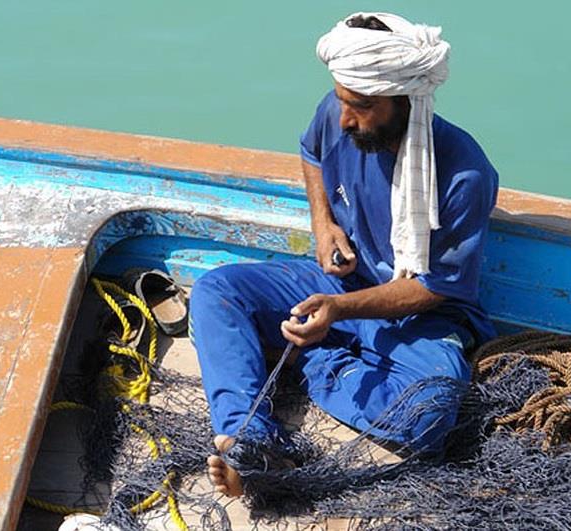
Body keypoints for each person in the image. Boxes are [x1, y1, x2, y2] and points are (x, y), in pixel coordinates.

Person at [189, 12, 499, 497]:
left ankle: (311, 360)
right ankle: (248, 438)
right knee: (216, 291)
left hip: (420, 318)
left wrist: (338, 312)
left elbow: (436, 287)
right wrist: (324, 223)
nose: (345, 118)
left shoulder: (464, 175)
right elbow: (312, 153)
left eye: (362, 106)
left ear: (405, 102)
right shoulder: (338, 116)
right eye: (341, 100)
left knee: (431, 415)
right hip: (340, 285)